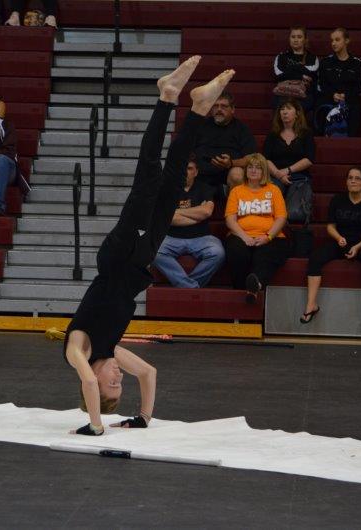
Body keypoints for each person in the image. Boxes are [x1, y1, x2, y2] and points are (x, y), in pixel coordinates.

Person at [64, 57, 234, 436]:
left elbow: (88, 381)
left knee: (149, 173)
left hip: (117, 258)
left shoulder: (78, 349)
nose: (118, 377)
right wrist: (142, 417)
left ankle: (167, 96)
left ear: (92, 383)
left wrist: (96, 425)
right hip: (140, 262)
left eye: (112, 384)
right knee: (173, 180)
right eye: (120, 385)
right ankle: (200, 107)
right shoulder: (112, 350)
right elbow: (149, 372)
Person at [301, 166, 361, 323]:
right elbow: (330, 226)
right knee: (316, 257)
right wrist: (338, 237)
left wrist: (358, 246)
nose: (353, 181)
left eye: (357, 178)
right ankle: (311, 305)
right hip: (341, 241)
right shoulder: (337, 199)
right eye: (350, 178)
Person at [224, 153, 290, 303]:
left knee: (265, 255)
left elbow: (281, 218)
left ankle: (255, 287)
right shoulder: (237, 191)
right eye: (250, 167)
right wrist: (244, 237)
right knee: (237, 252)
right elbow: (230, 219)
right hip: (241, 235)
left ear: (264, 171)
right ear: (246, 170)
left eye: (258, 167)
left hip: (271, 236)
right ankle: (241, 291)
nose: (253, 170)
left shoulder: (273, 190)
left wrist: (268, 237)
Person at [152, 156, 225, 288]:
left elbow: (206, 212)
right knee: (153, 251)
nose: (185, 172)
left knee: (218, 253)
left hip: (201, 237)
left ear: (196, 172)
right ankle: (191, 287)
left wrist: (176, 211)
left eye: (189, 168)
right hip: (172, 237)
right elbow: (166, 218)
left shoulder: (204, 188)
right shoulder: (168, 190)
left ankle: (185, 286)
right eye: (183, 168)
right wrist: (197, 215)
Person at [192, 91, 257, 195]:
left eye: (224, 106)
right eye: (215, 106)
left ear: (233, 109)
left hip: (228, 176)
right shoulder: (200, 126)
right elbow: (185, 150)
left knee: (237, 174)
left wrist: (231, 163)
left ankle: (232, 204)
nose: (219, 109)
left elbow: (251, 158)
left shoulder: (241, 129)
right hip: (200, 174)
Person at [316, 28, 361, 137]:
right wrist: (332, 95)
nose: (333, 43)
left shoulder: (357, 63)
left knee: (355, 108)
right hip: (329, 99)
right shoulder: (325, 62)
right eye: (332, 40)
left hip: (349, 101)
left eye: (337, 40)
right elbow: (321, 85)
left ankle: (349, 140)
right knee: (319, 104)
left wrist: (345, 96)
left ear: (347, 41)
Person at [262, 98, 315, 194]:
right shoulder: (273, 134)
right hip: (275, 176)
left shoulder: (306, 133)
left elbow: (309, 159)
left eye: (289, 108)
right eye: (282, 109)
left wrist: (287, 170)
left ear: (297, 113)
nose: (284, 112)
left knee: (296, 201)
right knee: (273, 194)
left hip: (299, 177)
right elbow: (265, 159)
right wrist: (278, 174)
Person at [273, 26, 319, 111]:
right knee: (280, 104)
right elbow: (279, 76)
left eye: (299, 37)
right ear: (289, 39)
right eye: (293, 37)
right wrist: (301, 75)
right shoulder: (281, 57)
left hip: (304, 97)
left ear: (305, 40)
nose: (296, 40)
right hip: (283, 94)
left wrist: (290, 69)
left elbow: (311, 76)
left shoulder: (312, 58)